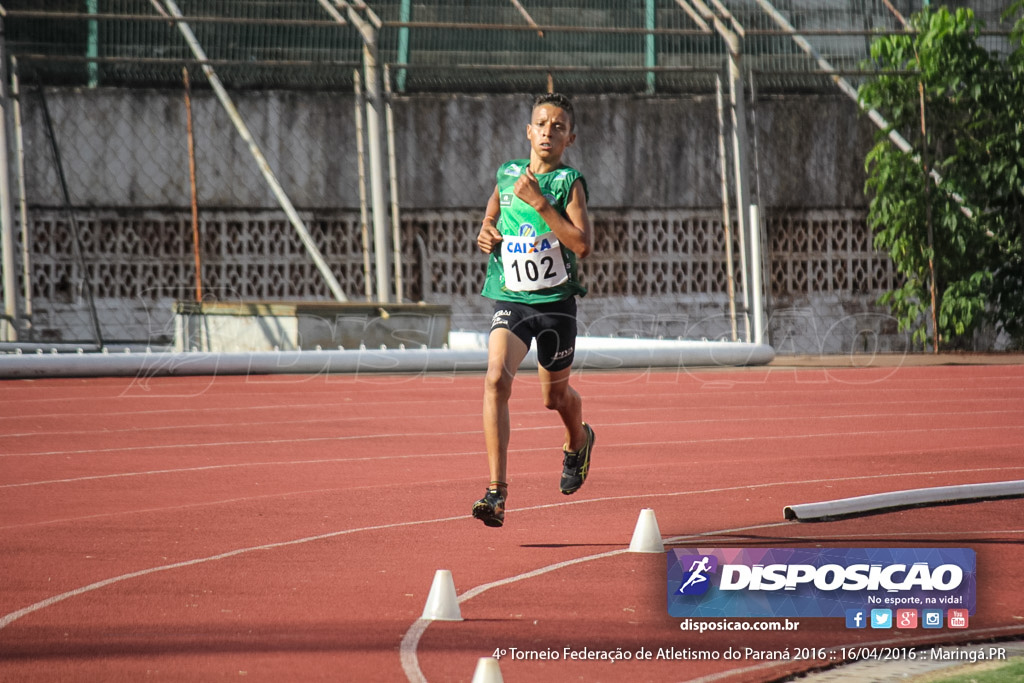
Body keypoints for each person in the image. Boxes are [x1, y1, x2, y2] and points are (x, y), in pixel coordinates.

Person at [471, 92, 596, 528]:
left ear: (570, 138)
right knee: (494, 379)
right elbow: (490, 216)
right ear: (529, 131)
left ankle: (578, 441)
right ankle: (496, 492)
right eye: (541, 124)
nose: (548, 131)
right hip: (513, 298)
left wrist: (541, 202)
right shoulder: (507, 175)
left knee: (553, 398)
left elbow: (581, 244)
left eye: (558, 126)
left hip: (556, 305)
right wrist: (486, 233)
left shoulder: (568, 183)